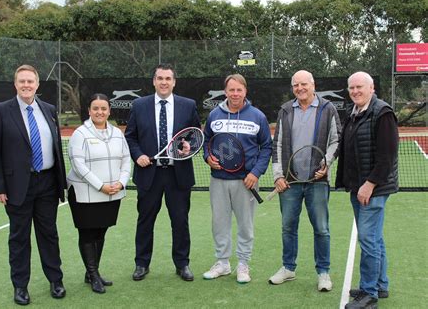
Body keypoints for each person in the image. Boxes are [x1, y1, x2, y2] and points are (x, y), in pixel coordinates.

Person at [0, 64, 67, 305]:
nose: (26, 85)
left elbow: (56, 148)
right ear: (15, 84)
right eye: (22, 81)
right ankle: (20, 286)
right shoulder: (0, 111)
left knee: (49, 234)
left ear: (37, 84)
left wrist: (60, 182)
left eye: (30, 81)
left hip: (48, 184)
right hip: (17, 186)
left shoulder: (49, 110)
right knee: (19, 238)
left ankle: (55, 280)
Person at [124, 64, 200, 282]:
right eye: (160, 78)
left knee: (180, 221)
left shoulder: (188, 105)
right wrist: (138, 155)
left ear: (174, 82)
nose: (164, 82)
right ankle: (141, 263)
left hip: (178, 174)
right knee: (145, 221)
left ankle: (182, 264)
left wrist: (189, 147)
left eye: (168, 78)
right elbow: (130, 136)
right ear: (153, 81)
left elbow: (195, 135)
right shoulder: (139, 105)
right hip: (149, 174)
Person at [268, 70, 341, 292]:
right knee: (288, 227)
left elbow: (337, 140)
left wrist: (327, 163)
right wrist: (278, 175)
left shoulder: (328, 109)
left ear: (313, 84)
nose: (300, 88)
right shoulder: (285, 110)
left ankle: (323, 272)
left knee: (321, 229)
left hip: (317, 182)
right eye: (296, 85)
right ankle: (288, 268)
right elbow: (277, 144)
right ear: (293, 88)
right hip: (290, 182)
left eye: (304, 84)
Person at [336, 72, 398, 309]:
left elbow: (387, 157)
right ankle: (380, 285)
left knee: (368, 239)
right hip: (357, 186)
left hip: (374, 188)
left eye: (360, 87)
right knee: (375, 238)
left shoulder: (382, 113)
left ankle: (368, 293)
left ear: (371, 88)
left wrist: (369, 185)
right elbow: (347, 148)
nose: (355, 91)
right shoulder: (353, 113)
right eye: (351, 88)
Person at [202, 74, 272, 284]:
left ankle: (243, 264)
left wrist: (255, 173)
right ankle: (223, 263)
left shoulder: (257, 116)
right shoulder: (214, 115)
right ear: (225, 92)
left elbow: (266, 147)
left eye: (238, 90)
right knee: (219, 223)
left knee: (245, 225)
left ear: (245, 91)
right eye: (231, 90)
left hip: (246, 182)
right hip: (219, 180)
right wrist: (208, 157)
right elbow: (206, 141)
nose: (235, 94)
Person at [67, 94, 131, 294]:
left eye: (103, 108)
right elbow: (78, 164)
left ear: (109, 111)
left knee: (101, 231)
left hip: (112, 193)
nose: (100, 112)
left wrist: (121, 182)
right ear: (89, 111)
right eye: (95, 108)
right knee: (88, 233)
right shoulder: (80, 133)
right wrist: (100, 185)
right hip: (84, 193)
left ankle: (91, 272)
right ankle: (93, 275)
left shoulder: (117, 133)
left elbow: (126, 160)